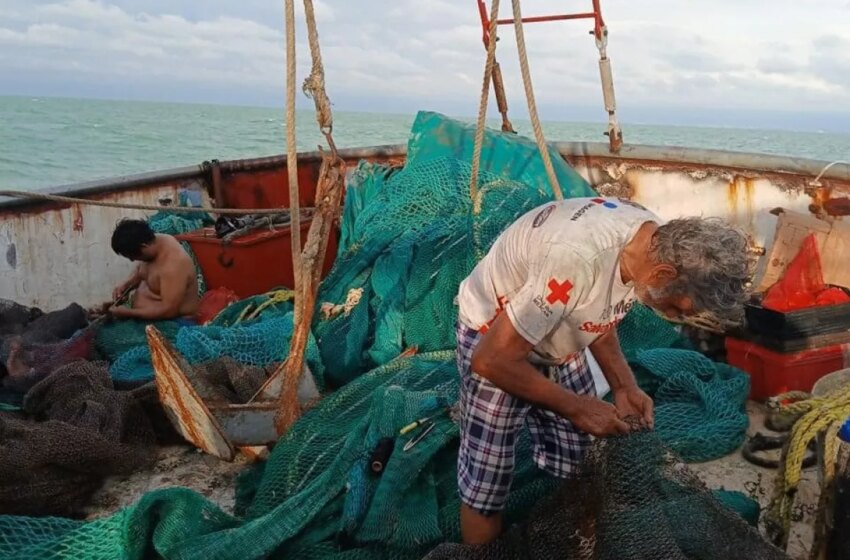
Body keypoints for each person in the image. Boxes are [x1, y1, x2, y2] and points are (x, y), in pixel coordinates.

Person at [455, 196, 750, 544]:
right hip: (496, 336)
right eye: (677, 308)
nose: (677, 317)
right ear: (663, 274)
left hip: (561, 333)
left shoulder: (653, 239)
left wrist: (624, 385)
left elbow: (598, 309)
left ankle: (570, 542)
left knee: (578, 460)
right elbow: (490, 361)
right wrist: (577, 407)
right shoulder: (575, 260)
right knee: (486, 486)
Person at [108, 218, 200, 322]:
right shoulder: (155, 241)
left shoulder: (173, 265)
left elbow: (169, 311)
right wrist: (126, 285)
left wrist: (129, 313)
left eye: (133, 256)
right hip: (146, 318)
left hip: (176, 323)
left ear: (144, 246)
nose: (132, 260)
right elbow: (142, 271)